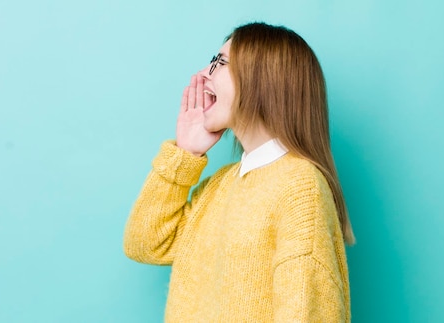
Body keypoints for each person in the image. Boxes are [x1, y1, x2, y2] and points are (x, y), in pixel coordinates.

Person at [123, 22, 354, 322]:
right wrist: (186, 153)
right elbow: (144, 243)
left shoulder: (300, 187)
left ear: (261, 80)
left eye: (220, 63)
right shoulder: (219, 186)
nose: (204, 74)